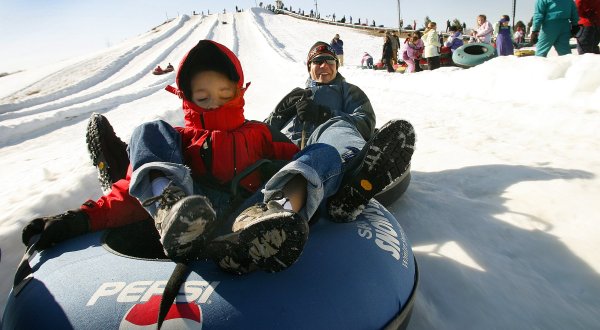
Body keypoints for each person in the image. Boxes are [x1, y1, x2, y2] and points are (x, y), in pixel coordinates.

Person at [264, 41, 415, 221]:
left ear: (336, 65)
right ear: (309, 67)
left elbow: (366, 121)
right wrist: (279, 114)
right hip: (290, 153)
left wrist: (325, 114)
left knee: (336, 126)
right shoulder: (297, 96)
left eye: (330, 61)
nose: (324, 65)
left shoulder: (347, 91)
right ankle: (275, 218)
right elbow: (263, 133)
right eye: (318, 61)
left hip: (329, 149)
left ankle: (355, 173)